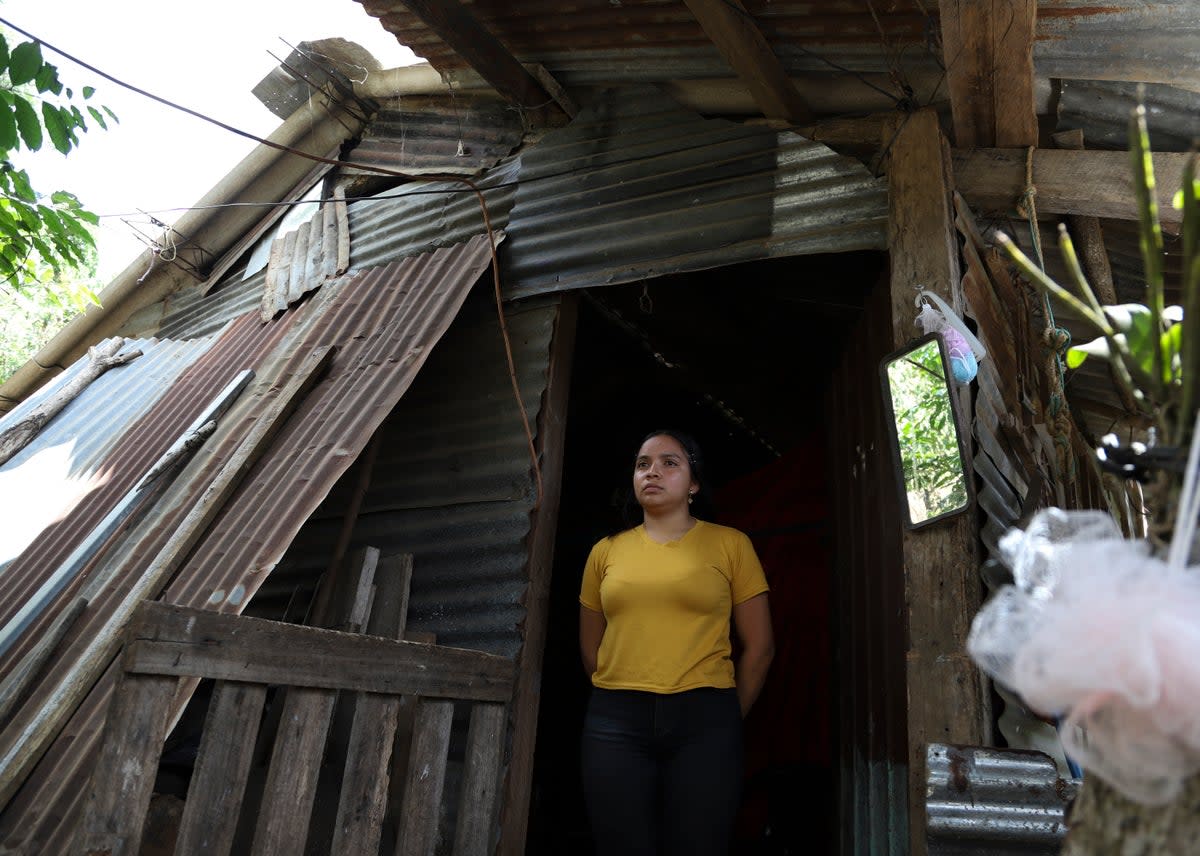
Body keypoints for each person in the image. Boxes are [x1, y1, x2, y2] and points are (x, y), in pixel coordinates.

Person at [578, 429, 775, 856]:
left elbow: (759, 647)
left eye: (670, 463)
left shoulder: (730, 545)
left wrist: (724, 716)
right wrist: (622, 685)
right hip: (615, 721)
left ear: (694, 484)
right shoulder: (604, 552)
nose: (653, 472)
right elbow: (591, 645)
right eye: (643, 464)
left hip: (706, 719)